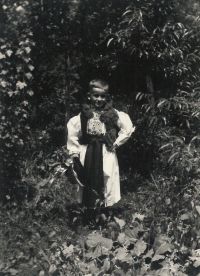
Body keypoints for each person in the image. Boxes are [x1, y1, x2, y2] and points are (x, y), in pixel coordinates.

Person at [67, 79, 135, 211]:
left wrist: (115, 143)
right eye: (96, 95)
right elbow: (73, 133)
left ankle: (104, 210)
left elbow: (127, 129)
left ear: (107, 97)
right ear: (89, 96)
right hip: (88, 150)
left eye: (102, 96)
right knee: (87, 176)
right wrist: (74, 152)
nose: (99, 99)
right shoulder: (84, 115)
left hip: (105, 151)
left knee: (106, 176)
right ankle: (88, 209)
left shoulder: (112, 113)